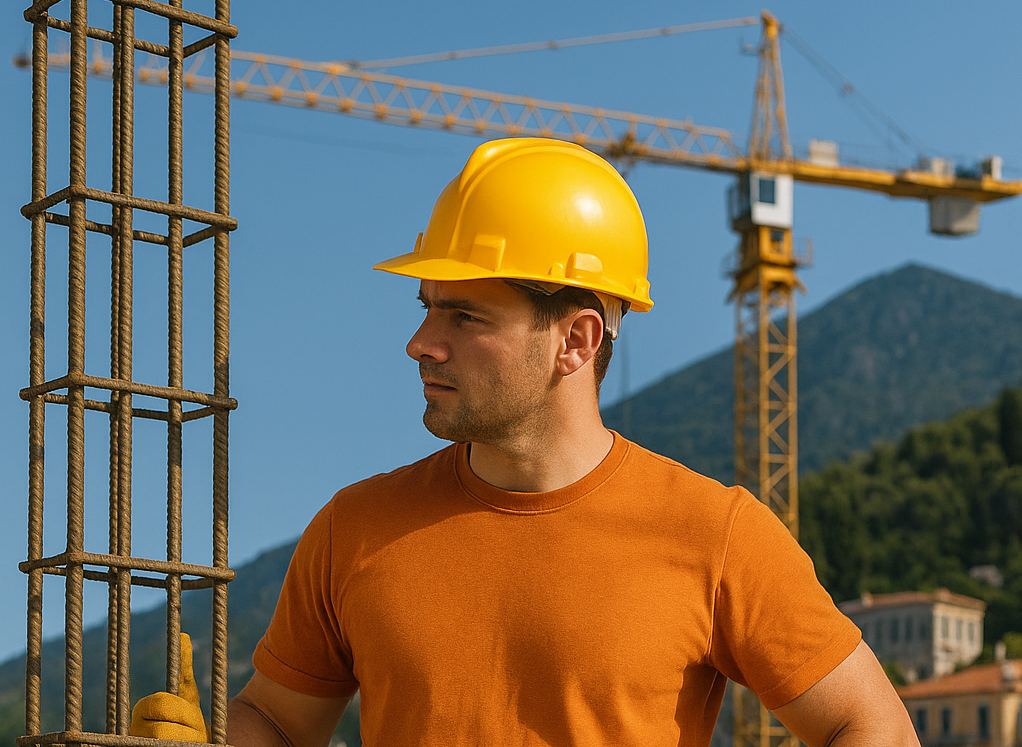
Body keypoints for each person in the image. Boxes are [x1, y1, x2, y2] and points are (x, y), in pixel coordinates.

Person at [131, 138, 919, 746]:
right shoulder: (353, 530)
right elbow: (277, 719)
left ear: (575, 340)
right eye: (427, 306)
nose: (420, 342)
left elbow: (872, 726)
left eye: (464, 317)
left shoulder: (715, 535)